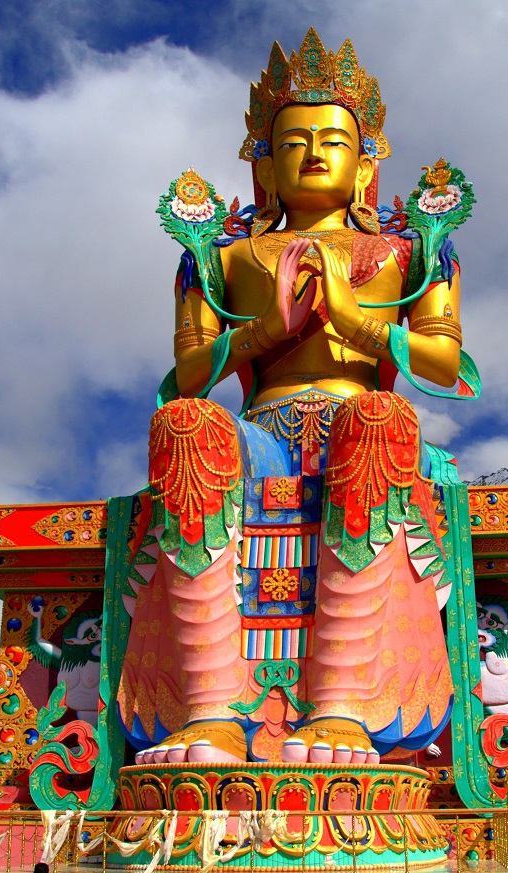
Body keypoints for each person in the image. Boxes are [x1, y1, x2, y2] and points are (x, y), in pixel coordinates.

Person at [116, 29, 476, 767]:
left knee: (376, 417)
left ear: (365, 159)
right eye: (295, 141)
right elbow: (186, 376)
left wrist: (352, 320)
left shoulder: (413, 251)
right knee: (186, 426)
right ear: (265, 166)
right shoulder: (222, 257)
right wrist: (261, 334)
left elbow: (446, 364)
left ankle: (341, 707)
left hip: (364, 424)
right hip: (260, 432)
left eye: (333, 140)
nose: (314, 152)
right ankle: (211, 712)